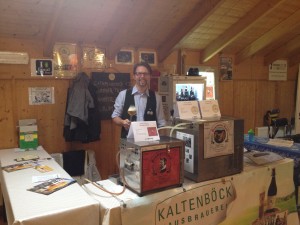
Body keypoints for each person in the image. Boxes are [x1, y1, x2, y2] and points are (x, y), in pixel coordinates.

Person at [111, 62, 166, 138]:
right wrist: (122, 122)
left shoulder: (157, 97)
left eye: (146, 74)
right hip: (129, 141)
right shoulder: (123, 95)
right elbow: (115, 116)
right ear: (134, 76)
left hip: (150, 141)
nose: (142, 76)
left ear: (150, 76)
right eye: (139, 73)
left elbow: (161, 122)